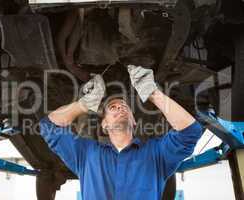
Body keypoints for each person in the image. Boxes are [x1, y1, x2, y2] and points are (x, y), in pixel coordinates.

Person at [39, 65, 204, 200]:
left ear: (133, 121)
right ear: (104, 124)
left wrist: (152, 92)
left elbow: (190, 132)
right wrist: (83, 104)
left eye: (124, 107)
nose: (120, 107)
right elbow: (48, 127)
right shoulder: (86, 153)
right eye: (113, 107)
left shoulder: (156, 154)